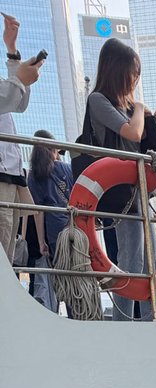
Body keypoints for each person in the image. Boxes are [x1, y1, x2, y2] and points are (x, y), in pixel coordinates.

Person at [86, 38, 156, 320]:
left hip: (137, 190)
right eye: (133, 72)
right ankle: (125, 322)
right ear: (117, 70)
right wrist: (140, 109)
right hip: (118, 191)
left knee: (149, 259)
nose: (135, 78)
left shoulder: (125, 107)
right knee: (132, 258)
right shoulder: (98, 100)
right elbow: (132, 134)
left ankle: (150, 318)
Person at [0, 14, 43, 265]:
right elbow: (10, 98)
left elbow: (16, 103)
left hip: (10, 176)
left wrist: (12, 53)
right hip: (3, 176)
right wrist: (19, 79)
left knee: (7, 260)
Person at [26, 130, 73, 311]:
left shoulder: (34, 175)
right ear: (53, 149)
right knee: (76, 272)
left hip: (54, 231)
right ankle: (77, 312)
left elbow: (38, 211)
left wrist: (41, 241)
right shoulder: (66, 169)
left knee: (61, 274)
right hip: (75, 226)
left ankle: (61, 312)